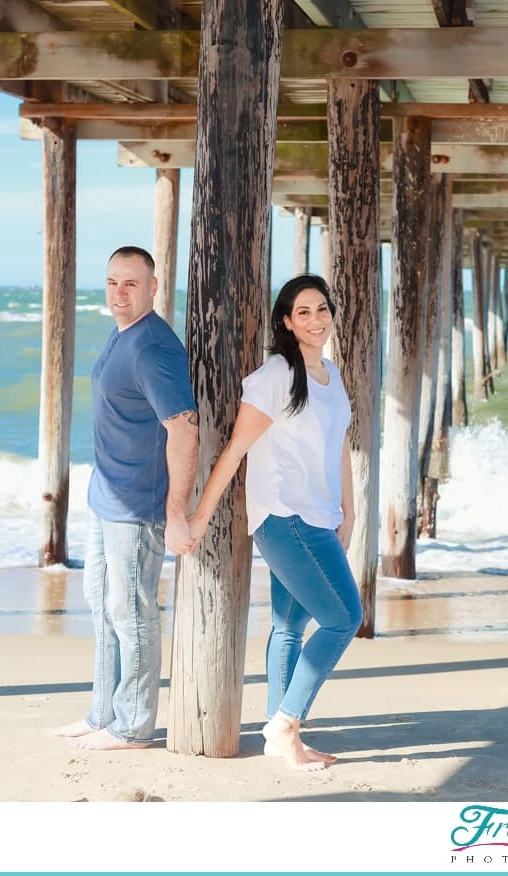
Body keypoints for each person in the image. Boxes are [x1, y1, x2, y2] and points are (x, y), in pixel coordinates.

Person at [187, 274, 361, 772]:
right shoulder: (276, 374)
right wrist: (200, 516)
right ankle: (286, 723)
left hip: (320, 517)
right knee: (344, 617)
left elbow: (340, 447)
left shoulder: (330, 373)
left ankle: (276, 736)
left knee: (289, 625)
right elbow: (237, 448)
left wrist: (348, 511)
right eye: (302, 312)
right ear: (287, 321)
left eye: (321, 309)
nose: (315, 319)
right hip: (285, 517)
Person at [54, 246, 198, 750]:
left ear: (154, 288)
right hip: (107, 499)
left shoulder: (152, 348)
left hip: (138, 507)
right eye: (113, 282)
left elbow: (183, 429)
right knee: (102, 605)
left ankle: (132, 726)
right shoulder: (123, 335)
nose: (119, 293)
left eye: (131, 283)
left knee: (132, 614)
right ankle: (102, 713)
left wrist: (176, 514)